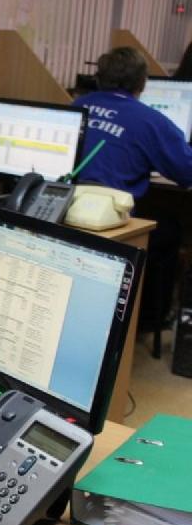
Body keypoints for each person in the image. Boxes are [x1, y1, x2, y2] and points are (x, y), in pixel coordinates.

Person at [73, 46, 192, 329]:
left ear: (98, 77)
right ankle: (149, 320)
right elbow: (186, 171)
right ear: (142, 83)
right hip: (111, 225)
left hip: (65, 214)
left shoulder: (76, 106)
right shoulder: (151, 121)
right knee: (170, 230)